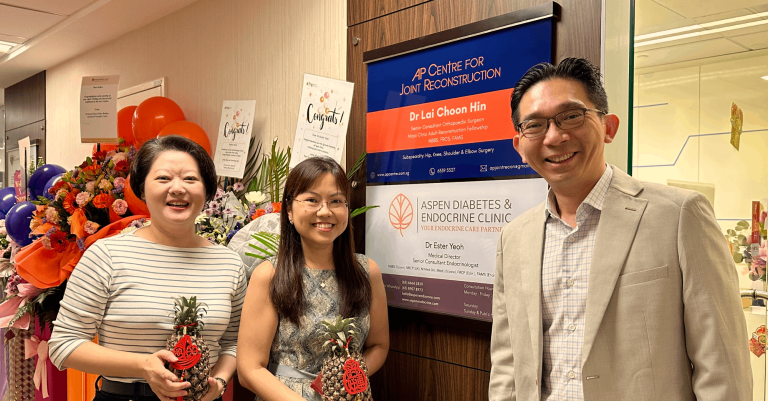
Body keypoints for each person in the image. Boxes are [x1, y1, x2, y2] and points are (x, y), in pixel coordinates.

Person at [489, 58, 752, 401]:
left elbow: (722, 370)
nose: (555, 136)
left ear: (608, 126)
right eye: (535, 125)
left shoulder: (679, 216)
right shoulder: (514, 238)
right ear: (520, 146)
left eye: (571, 116)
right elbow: (507, 367)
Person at [48, 135, 247, 401]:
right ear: (141, 189)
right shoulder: (106, 255)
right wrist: (142, 365)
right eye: (163, 179)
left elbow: (234, 343)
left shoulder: (229, 263)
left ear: (207, 191)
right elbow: (64, 344)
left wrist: (219, 382)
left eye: (190, 179)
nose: (177, 188)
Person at [237, 156, 389, 401]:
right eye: (312, 200)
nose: (325, 211)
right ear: (289, 210)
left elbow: (378, 346)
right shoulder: (269, 275)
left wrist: (346, 380)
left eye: (336, 201)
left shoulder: (367, 271)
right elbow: (249, 370)